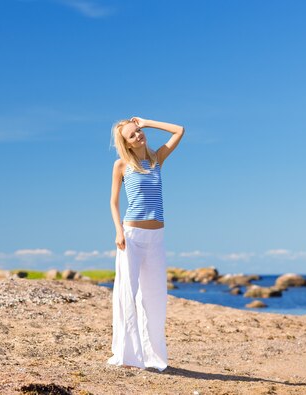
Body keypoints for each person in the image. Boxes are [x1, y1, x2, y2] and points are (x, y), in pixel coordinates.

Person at [107, 116, 184, 371]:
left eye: (139, 131)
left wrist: (147, 122)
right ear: (126, 144)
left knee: (155, 297)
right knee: (127, 294)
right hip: (132, 236)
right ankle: (128, 357)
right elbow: (113, 202)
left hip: (156, 237)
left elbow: (179, 130)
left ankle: (153, 357)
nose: (138, 136)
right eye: (132, 135)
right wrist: (119, 231)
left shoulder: (156, 159)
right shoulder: (121, 165)